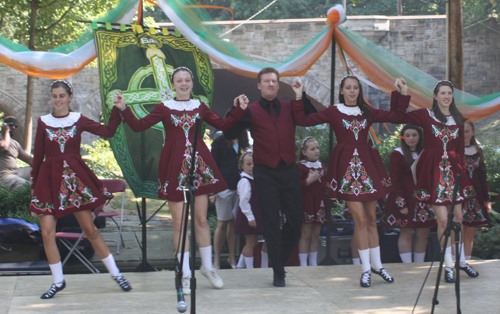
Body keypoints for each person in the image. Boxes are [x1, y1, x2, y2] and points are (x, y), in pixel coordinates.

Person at [114, 66, 248, 293]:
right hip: (175, 168)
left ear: (191, 83)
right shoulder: (164, 108)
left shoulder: (200, 106)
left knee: (201, 220)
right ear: (173, 84)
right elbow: (138, 126)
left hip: (199, 168)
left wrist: (238, 110)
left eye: (187, 80)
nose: (184, 84)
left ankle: (207, 267)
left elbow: (224, 126)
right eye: (179, 80)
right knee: (179, 223)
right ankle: (185, 273)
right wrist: (124, 108)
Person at [292, 76, 411, 287]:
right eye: (348, 88)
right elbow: (303, 120)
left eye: (356, 88)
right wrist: (299, 95)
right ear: (341, 90)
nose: (352, 91)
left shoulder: (367, 111)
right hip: (347, 171)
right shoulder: (334, 111)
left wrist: (401, 92)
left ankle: (378, 266)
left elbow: (397, 116)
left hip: (368, 168)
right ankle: (365, 269)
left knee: (372, 220)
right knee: (361, 221)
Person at [30, 80, 131, 299]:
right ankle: (58, 281)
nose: (58, 100)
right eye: (54, 96)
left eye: (61, 96)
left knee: (91, 230)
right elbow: (38, 156)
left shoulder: (78, 119)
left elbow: (108, 131)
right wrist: (34, 185)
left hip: (74, 181)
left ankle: (116, 274)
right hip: (48, 181)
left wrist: (117, 109)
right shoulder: (43, 122)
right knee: (47, 233)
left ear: (69, 97)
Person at [224, 67, 317, 287]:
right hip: (265, 171)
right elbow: (229, 132)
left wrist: (300, 95)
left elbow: (310, 118)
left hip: (288, 170)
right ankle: (278, 271)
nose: (271, 85)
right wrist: (235, 109)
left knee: (295, 221)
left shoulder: (288, 105)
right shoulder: (251, 109)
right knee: (272, 223)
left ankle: (277, 260)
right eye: (266, 81)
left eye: (274, 81)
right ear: (259, 85)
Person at [397, 80, 479, 283]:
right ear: (435, 96)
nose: (446, 96)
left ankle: (461, 262)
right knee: (444, 220)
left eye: (449, 93)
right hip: (433, 173)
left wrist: (463, 177)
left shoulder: (459, 119)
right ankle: (448, 265)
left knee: (458, 219)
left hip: (454, 173)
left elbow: (459, 152)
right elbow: (401, 116)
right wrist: (403, 94)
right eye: (442, 93)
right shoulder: (426, 115)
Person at [381, 124, 436, 263]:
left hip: (423, 198)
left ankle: (419, 265)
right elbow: (394, 180)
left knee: (423, 234)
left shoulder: (427, 153)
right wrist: (401, 204)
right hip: (404, 197)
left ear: (420, 137)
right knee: (406, 232)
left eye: (414, 135)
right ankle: (407, 265)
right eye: (407, 135)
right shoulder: (397, 154)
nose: (411, 138)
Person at [210, 125, 250, 269]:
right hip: (223, 187)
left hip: (241, 188)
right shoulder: (218, 143)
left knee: (234, 224)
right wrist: (213, 191)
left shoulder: (245, 143)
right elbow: (213, 166)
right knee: (222, 223)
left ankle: (232, 258)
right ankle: (216, 259)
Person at [462, 122, 491, 261]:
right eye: (461, 132)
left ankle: (466, 263)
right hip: (459, 198)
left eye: (467, 131)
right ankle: (456, 263)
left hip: (476, 197)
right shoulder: (454, 151)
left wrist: (487, 200)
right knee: (458, 234)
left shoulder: (478, 151)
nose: (464, 135)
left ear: (473, 132)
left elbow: (482, 177)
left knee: (469, 235)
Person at [297, 136, 327, 267]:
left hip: (319, 205)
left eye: (317, 148)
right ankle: (303, 264)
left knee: (316, 235)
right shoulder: (300, 167)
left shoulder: (321, 166)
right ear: (304, 152)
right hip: (307, 204)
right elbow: (295, 186)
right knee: (306, 235)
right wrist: (308, 181)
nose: (316, 151)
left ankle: (313, 264)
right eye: (312, 149)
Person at [234, 150, 265, 269]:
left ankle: (240, 266)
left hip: (253, 215)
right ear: (242, 165)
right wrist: (250, 217)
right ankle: (249, 268)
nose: (252, 167)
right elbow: (243, 201)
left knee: (253, 242)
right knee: (250, 243)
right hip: (248, 217)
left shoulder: (254, 180)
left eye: (254, 164)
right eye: (248, 164)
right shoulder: (245, 181)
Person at [0, 116, 33, 189]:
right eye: (11, 125)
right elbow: (4, 147)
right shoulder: (1, 138)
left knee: (37, 170)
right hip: (4, 175)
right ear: (4, 125)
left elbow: (29, 160)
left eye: (15, 126)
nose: (13, 127)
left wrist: (44, 165)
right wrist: (6, 132)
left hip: (15, 172)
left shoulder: (15, 143)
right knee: (28, 186)